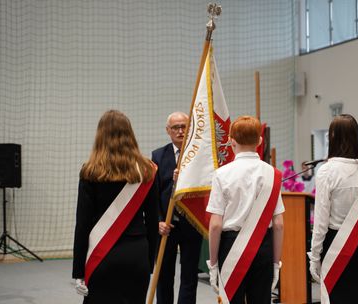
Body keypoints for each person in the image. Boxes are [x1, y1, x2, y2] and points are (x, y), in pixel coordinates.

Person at [72, 110, 160, 303]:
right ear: (130, 134)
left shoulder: (90, 171)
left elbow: (82, 224)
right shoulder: (147, 170)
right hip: (137, 254)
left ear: (100, 136)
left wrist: (78, 270)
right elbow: (154, 221)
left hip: (102, 254)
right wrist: (149, 261)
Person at [206, 115, 285, 304]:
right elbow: (279, 224)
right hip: (263, 246)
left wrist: (213, 264)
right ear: (260, 140)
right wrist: (275, 263)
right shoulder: (273, 174)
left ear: (231, 141)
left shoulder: (221, 174)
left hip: (231, 245)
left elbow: (215, 225)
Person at [308, 114, 358, 304]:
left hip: (335, 245)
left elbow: (321, 222)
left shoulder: (327, 171)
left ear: (333, 138)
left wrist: (314, 256)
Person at [152, 111, 203, 304]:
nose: (180, 131)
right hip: (166, 226)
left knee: (190, 276)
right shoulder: (158, 156)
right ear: (168, 130)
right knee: (164, 275)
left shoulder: (199, 156)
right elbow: (153, 194)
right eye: (176, 127)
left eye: (184, 126)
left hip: (192, 223)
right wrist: (157, 221)